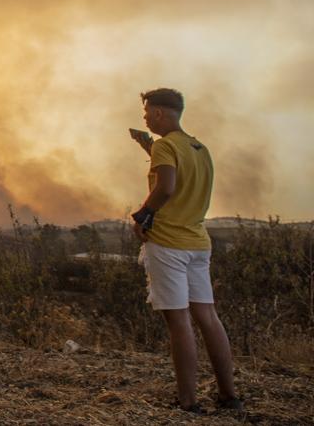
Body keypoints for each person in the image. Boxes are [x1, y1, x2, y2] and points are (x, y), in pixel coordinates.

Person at [129, 88, 242, 414]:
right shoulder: (199, 147)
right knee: (207, 317)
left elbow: (166, 187)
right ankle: (229, 395)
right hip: (197, 242)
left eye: (148, 112)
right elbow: (182, 175)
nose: (146, 117)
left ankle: (188, 402)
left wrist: (142, 215)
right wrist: (149, 148)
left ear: (161, 113)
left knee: (178, 321)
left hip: (168, 244)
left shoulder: (166, 145)